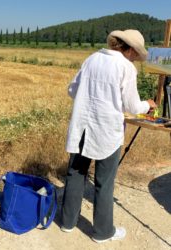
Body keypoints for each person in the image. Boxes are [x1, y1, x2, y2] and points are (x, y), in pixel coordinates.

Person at [60, 29, 157, 243]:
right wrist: (147, 105)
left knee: (75, 174)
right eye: (136, 54)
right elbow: (132, 105)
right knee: (104, 182)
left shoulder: (92, 58)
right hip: (106, 131)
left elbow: (71, 90)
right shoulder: (126, 67)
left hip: (82, 126)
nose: (135, 58)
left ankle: (67, 222)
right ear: (130, 49)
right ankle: (103, 232)